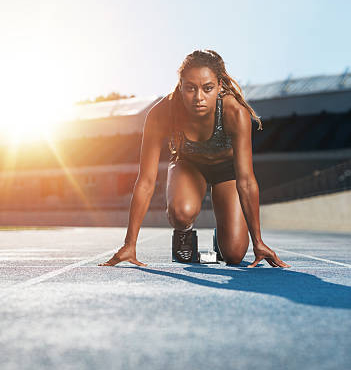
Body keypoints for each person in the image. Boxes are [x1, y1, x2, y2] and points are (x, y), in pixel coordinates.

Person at [99, 49, 290, 269]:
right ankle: (184, 234)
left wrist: (258, 241)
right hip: (188, 166)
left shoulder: (235, 113)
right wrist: (129, 243)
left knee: (235, 254)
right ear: (180, 86)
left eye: (207, 88)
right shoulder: (161, 113)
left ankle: (223, 237)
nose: (198, 97)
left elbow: (246, 180)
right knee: (182, 212)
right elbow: (146, 181)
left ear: (219, 86)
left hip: (227, 171)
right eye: (190, 88)